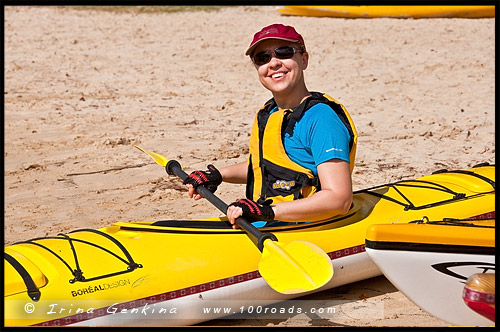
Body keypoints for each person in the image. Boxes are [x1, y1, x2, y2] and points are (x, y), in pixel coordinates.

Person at [184, 23, 357, 228]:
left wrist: (268, 212)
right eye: (262, 58)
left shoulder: (322, 119)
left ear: (304, 59)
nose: (273, 63)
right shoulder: (271, 113)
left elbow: (339, 199)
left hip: (300, 228)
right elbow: (268, 168)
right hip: (265, 222)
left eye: (284, 52)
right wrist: (218, 175)